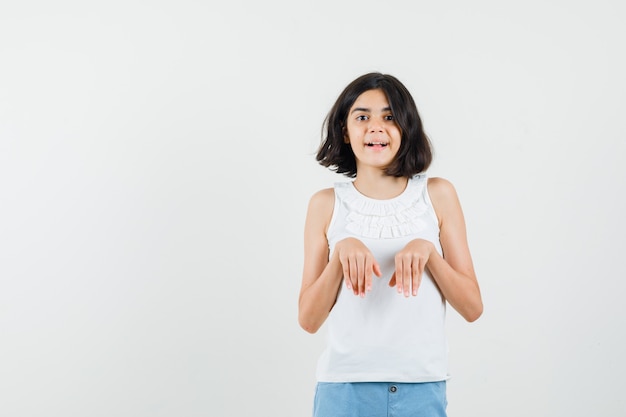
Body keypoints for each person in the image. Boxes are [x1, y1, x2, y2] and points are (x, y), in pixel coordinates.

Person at [298, 72, 483, 417]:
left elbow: (472, 307)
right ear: (344, 130)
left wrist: (429, 253)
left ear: (406, 127)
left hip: (422, 385)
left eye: (389, 117)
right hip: (344, 389)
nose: (376, 128)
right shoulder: (325, 203)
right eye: (362, 117)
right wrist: (339, 256)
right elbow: (308, 319)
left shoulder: (438, 194)